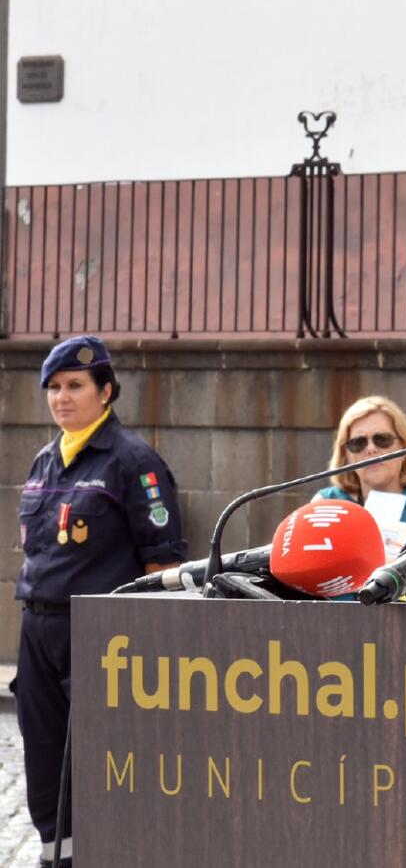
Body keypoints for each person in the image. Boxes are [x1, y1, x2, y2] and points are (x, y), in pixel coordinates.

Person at [16, 335, 186, 868]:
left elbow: (164, 566)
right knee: (43, 756)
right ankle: (56, 857)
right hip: (38, 631)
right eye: (54, 388)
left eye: (75, 386)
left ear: (106, 391)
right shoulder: (46, 461)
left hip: (99, 632)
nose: (62, 398)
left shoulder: (133, 462)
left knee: (97, 759)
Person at [315, 395, 406, 520]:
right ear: (346, 455)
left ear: (404, 447)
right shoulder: (326, 503)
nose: (371, 449)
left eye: (382, 439)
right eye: (358, 443)